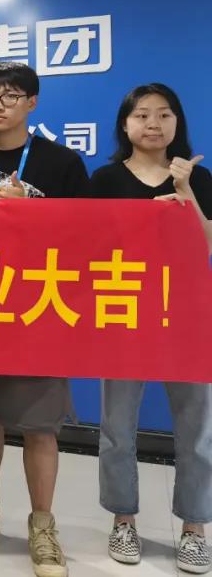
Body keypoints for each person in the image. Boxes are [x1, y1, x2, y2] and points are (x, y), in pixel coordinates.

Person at [0, 62, 88, 577]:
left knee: (38, 425)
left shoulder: (62, 162)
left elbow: (86, 236)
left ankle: (43, 526)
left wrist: (30, 208)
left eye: (10, 95)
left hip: (38, 307)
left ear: (32, 103)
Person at [89, 83, 212, 575]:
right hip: (125, 312)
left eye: (164, 114)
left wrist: (185, 195)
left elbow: (206, 245)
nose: (153, 124)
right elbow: (87, 246)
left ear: (177, 122)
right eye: (142, 115)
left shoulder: (197, 177)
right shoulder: (105, 179)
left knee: (197, 430)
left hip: (186, 315)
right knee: (117, 428)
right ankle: (124, 520)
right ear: (125, 124)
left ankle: (195, 528)